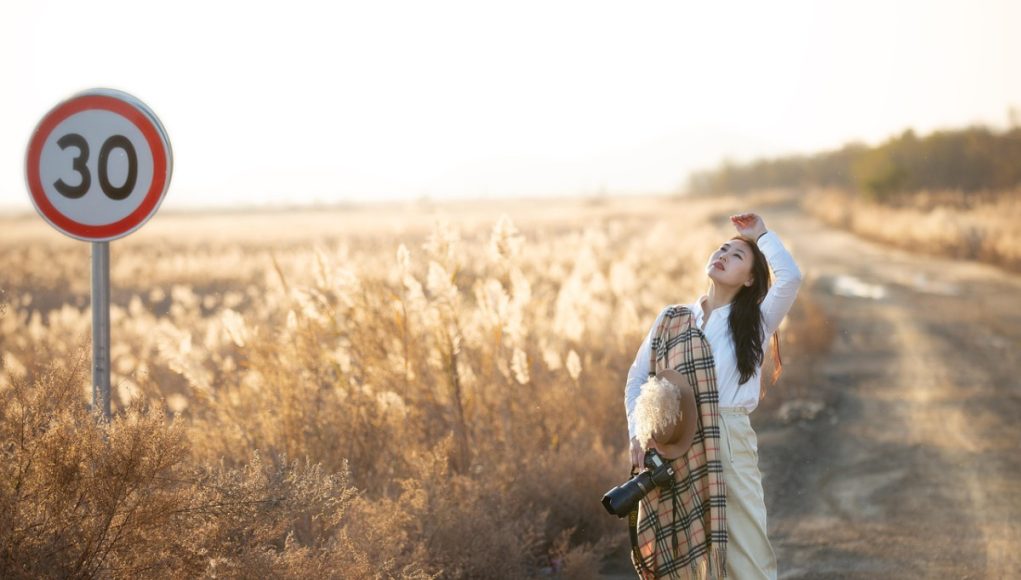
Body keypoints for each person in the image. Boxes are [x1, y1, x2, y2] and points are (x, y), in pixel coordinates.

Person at [624, 212, 802, 579]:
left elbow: (791, 278)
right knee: (675, 557)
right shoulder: (672, 318)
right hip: (673, 445)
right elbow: (639, 376)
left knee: (747, 557)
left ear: (751, 278)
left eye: (737, 256)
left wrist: (761, 234)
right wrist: (637, 433)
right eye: (722, 249)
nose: (723, 254)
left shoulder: (756, 321)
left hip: (728, 442)